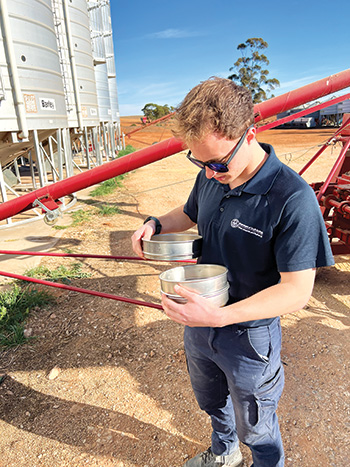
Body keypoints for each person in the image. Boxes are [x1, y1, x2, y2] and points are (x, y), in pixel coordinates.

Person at [131, 77, 334, 467]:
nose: (209, 173)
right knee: (212, 401)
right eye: (198, 161)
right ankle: (225, 453)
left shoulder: (291, 198)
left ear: (250, 133)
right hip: (200, 320)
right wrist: (155, 223)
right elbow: (189, 213)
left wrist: (220, 316)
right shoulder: (212, 173)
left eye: (217, 162)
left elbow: (296, 291)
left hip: (249, 335)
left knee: (257, 423)